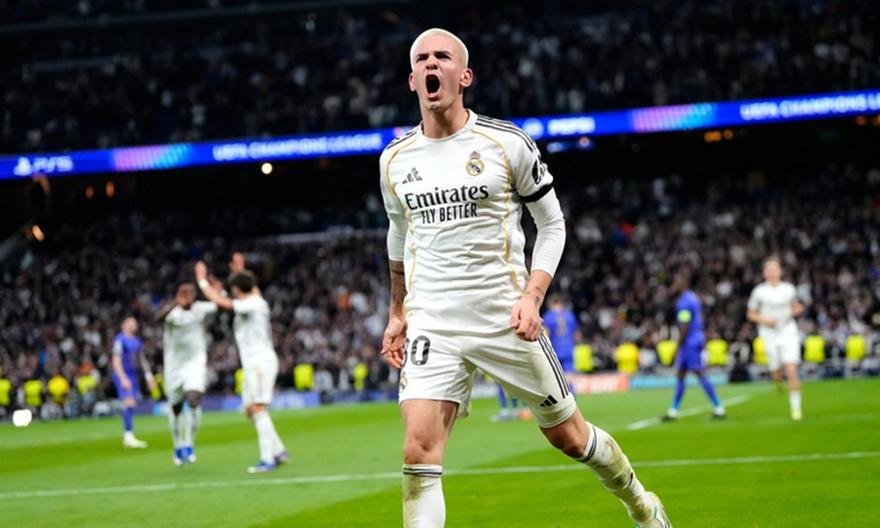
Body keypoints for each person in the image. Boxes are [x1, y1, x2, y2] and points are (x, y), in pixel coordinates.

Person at [379, 28, 670, 528]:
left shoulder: (505, 143)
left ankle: (641, 504)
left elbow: (552, 224)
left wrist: (532, 298)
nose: (431, 64)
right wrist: (397, 312)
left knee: (570, 438)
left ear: (464, 76)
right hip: (433, 321)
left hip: (504, 315)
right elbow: (399, 235)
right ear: (411, 80)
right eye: (422, 58)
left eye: (443, 57)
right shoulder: (395, 159)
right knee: (418, 450)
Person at [195, 262, 289, 473]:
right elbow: (238, 292)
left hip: (260, 362)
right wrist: (237, 272)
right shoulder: (254, 299)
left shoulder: (253, 303)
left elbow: (223, 303)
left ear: (238, 289)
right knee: (250, 410)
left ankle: (267, 459)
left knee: (258, 408)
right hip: (253, 363)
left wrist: (202, 281)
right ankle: (279, 450)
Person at [155, 282, 217, 466]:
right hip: (174, 367)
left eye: (190, 293)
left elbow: (220, 305)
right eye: (183, 293)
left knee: (193, 399)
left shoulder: (199, 308)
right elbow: (156, 319)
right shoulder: (172, 313)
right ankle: (177, 444)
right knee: (175, 409)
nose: (187, 297)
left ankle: (189, 443)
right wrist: (175, 303)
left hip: (195, 364)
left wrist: (214, 290)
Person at [747, 257, 805, 420]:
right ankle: (777, 380)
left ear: (780, 271)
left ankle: (796, 410)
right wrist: (764, 319)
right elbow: (751, 313)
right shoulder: (759, 292)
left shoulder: (789, 289)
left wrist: (795, 311)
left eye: (775, 269)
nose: (772, 272)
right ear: (764, 273)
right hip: (768, 333)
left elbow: (797, 306)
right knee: (776, 372)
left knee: (791, 368)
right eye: (769, 270)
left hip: (787, 330)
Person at [663, 271, 725, 420]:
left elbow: (684, 326)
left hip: (689, 342)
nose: (674, 285)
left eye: (676, 282)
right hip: (695, 338)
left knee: (699, 372)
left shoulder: (683, 302)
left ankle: (719, 408)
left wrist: (677, 347)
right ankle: (673, 410)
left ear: (684, 283)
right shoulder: (693, 297)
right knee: (681, 374)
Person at [111, 317, 155, 448]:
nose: (135, 325)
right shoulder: (120, 340)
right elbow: (116, 360)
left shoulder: (137, 341)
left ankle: (128, 435)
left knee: (132, 404)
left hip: (133, 375)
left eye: (136, 323)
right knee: (129, 402)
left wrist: (148, 376)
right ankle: (128, 436)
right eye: (132, 323)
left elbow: (142, 359)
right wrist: (123, 378)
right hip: (124, 374)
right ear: (124, 325)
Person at [543, 294, 581, 373]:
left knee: (556, 375)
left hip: (554, 351)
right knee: (570, 375)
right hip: (569, 350)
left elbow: (546, 335)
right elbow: (577, 335)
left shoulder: (548, 316)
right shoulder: (570, 315)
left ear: (551, 303)